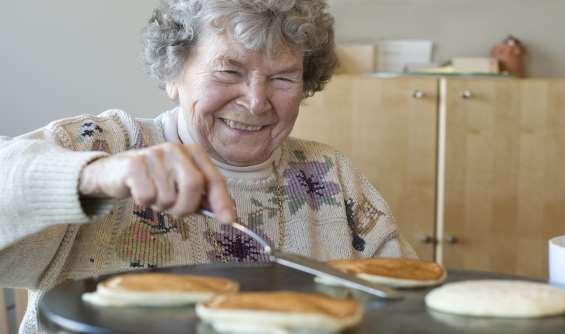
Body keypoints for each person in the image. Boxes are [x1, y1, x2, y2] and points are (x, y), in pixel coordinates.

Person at [0, 0, 416, 332]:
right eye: (228, 70)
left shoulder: (333, 176)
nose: (256, 101)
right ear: (172, 74)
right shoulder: (102, 146)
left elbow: (407, 303)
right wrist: (95, 176)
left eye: (284, 78)